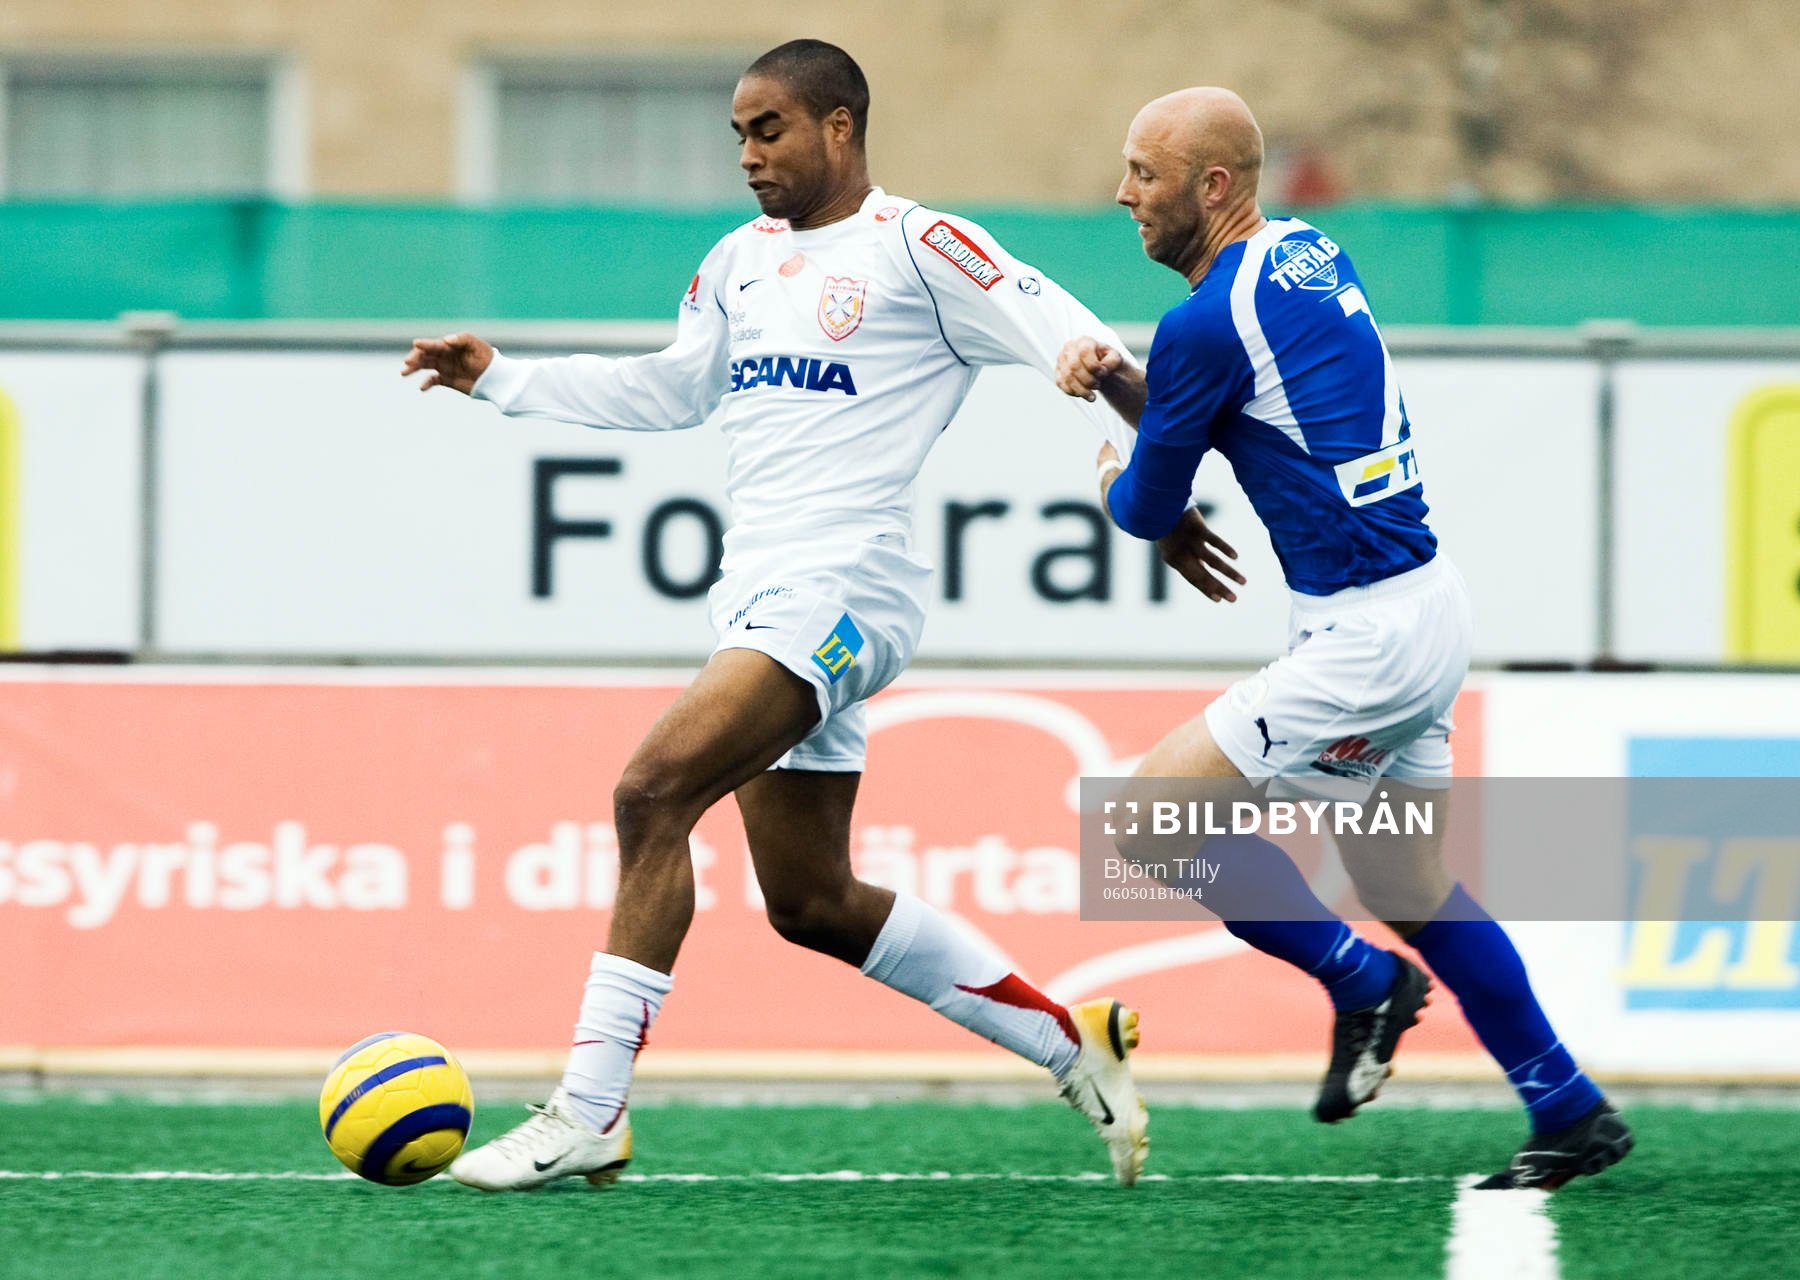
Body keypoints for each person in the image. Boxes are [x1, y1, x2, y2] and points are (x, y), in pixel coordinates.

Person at [401, 40, 1221, 1192]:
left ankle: (588, 1108)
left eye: (769, 128)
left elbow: (1083, 350)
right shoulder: (736, 261)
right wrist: (503, 377)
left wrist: (1160, 493)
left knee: (651, 792)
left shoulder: (922, 247)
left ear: (840, 126)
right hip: (758, 593)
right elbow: (671, 388)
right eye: (739, 134)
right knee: (811, 899)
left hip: (847, 590)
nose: (748, 154)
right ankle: (1069, 1041)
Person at [1056, 87, 1633, 1191]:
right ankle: (1567, 1104)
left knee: (1146, 821)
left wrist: (1110, 469)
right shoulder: (1307, 251)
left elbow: (1148, 503)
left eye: (1144, 172)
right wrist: (1133, 385)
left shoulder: (1203, 325)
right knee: (1410, 880)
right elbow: (1234, 406)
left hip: (1365, 638)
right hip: (1426, 604)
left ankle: (1362, 981)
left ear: (1211, 185)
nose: (1123, 193)